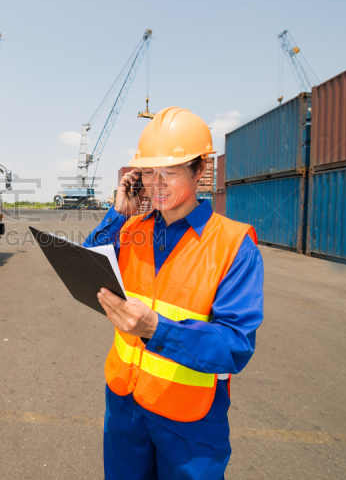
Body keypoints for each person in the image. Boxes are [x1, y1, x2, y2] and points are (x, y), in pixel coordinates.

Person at [82, 107, 264, 479]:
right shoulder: (132, 228)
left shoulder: (233, 245)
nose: (157, 184)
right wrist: (118, 213)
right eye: (149, 172)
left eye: (171, 171)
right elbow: (87, 269)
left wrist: (157, 329)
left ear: (200, 170)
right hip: (124, 405)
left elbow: (235, 344)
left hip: (189, 420)